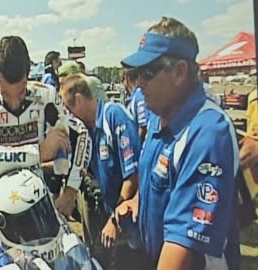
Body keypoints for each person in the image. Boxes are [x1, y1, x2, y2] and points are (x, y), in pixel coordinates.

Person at [116, 17, 240, 270]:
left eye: (148, 73)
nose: (139, 83)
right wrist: (137, 202)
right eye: (137, 74)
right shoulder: (157, 116)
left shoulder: (207, 132)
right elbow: (153, 178)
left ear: (180, 71)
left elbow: (183, 246)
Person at [0, 36, 91, 269]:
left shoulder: (45, 96)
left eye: (21, 91)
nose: (14, 100)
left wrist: (72, 190)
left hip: (41, 206)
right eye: (7, 92)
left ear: (28, 74)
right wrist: (38, 152)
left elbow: (81, 134)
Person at [59, 74, 143, 269]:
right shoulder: (86, 131)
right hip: (110, 215)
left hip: (130, 222)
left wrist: (115, 219)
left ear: (79, 100)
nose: (69, 115)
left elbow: (133, 175)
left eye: (69, 109)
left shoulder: (113, 116)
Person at [123, 68, 150, 140]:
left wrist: (135, 145)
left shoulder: (139, 96)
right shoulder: (135, 96)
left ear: (126, 79)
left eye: (122, 80)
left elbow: (143, 126)